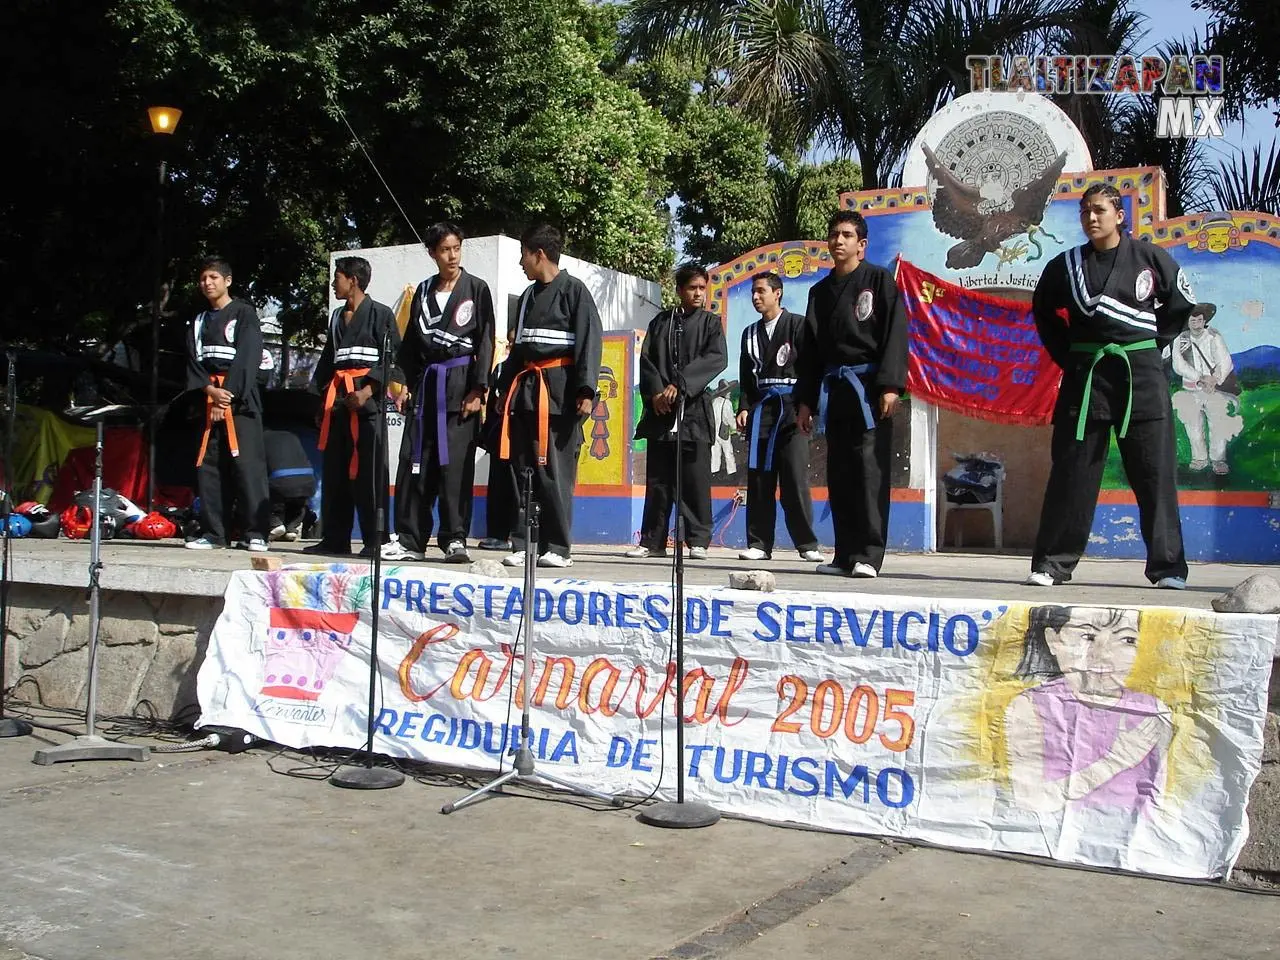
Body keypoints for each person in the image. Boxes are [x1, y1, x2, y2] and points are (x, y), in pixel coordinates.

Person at [1026, 183, 1195, 589]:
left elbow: (1179, 308)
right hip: (1087, 379)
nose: (1091, 218)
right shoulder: (1065, 266)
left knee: (1154, 473)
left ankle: (1167, 567)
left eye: (1099, 210)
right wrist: (1071, 356)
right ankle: (1053, 564)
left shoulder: (1149, 258)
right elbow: (1044, 313)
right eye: (1085, 212)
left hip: (1141, 377)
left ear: (1120, 216)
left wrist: (1149, 348)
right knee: (1073, 472)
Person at [795, 211, 908, 578]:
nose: (837, 241)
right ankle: (844, 554)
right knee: (840, 473)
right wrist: (806, 401)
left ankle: (869, 555)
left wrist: (891, 385)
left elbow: (895, 334)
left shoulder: (879, 281)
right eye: (833, 234)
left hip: (869, 389)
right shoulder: (819, 292)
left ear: (861, 244)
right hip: (835, 390)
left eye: (846, 235)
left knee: (869, 474)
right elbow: (809, 352)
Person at [384, 223, 495, 563]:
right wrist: (401, 385)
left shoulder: (476, 289)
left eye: (457, 248)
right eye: (445, 250)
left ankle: (454, 538)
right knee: (415, 463)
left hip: (459, 388)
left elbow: (486, 339)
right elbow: (412, 345)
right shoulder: (423, 290)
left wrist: (478, 388)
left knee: (455, 468)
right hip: (425, 390)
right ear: (432, 253)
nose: (452, 256)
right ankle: (411, 539)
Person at [497, 225, 602, 568]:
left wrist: (586, 393)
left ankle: (557, 547)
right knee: (522, 470)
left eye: (524, 255)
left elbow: (589, 344)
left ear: (538, 254)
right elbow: (519, 349)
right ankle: (523, 542)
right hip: (526, 393)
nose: (521, 263)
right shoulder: (527, 297)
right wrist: (502, 389)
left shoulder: (575, 291)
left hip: (559, 396)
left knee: (554, 472)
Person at [1004, 604, 1171, 814]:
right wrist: (1115, 760)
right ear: (1053, 640)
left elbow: (1158, 801)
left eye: (1127, 640)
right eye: (1088, 636)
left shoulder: (1151, 710)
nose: (1103, 654)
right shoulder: (1031, 706)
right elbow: (1031, 800)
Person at [626, 264, 727, 560]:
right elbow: (647, 361)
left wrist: (680, 385)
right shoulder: (661, 322)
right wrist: (657, 392)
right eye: (692, 288)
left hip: (694, 412)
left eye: (701, 288)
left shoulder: (710, 323)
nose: (698, 293)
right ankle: (652, 540)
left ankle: (697, 540)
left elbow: (716, 358)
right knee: (659, 480)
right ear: (680, 290)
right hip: (662, 412)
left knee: (695, 480)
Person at [306, 256, 401, 558]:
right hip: (339, 403)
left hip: (367, 406)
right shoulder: (336, 317)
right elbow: (327, 360)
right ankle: (335, 538)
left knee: (370, 474)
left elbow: (392, 358)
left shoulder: (381, 314)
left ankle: (376, 540)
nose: (334, 283)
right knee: (335, 473)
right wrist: (321, 400)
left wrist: (369, 391)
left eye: (338, 277)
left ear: (353, 280)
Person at [184, 257, 271, 552]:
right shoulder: (198, 321)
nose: (207, 283)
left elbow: (249, 356)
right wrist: (210, 391)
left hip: (241, 401)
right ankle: (214, 534)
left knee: (247, 467)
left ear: (227, 281)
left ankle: (255, 532)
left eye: (213, 278)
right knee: (209, 468)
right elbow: (193, 362)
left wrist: (228, 395)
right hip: (209, 399)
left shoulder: (244, 314)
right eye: (203, 278)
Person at [736, 271, 823, 563]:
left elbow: (811, 369)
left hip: (792, 408)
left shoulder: (798, 325)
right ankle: (759, 543)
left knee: (794, 478)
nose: (756, 297)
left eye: (761, 291)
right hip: (763, 410)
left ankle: (807, 543)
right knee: (760, 479)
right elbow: (745, 377)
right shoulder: (749, 333)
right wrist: (744, 407)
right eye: (753, 292)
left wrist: (807, 406)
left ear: (778, 293)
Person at [1169, 303, 1242, 475]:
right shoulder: (1181, 338)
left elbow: (1224, 360)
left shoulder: (1214, 337)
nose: (1196, 322)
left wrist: (1215, 379)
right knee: (1193, 426)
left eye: (1199, 319)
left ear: (1204, 320)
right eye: (1193, 319)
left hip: (1213, 389)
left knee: (1217, 425)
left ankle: (1218, 460)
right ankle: (1199, 458)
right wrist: (1199, 377)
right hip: (1190, 389)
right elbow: (1178, 364)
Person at [477, 350, 518, 551]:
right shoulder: (501, 368)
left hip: (524, 438)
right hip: (500, 437)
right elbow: (493, 406)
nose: (511, 347)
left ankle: (521, 537)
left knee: (522, 488)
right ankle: (497, 535)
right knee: (499, 486)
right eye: (509, 343)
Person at [264, 428, 316, 542]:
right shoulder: (291, 435)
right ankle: (292, 528)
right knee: (298, 503)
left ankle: (275, 524)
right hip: (308, 481)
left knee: (261, 493)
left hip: (281, 482)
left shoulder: (260, 440)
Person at [709, 380, 738, 477]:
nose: (729, 392)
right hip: (723, 430)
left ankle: (714, 470)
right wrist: (735, 427)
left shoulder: (714, 402)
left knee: (715, 452)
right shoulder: (727, 403)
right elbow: (729, 418)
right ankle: (731, 471)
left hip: (714, 430)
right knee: (728, 451)